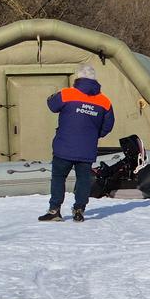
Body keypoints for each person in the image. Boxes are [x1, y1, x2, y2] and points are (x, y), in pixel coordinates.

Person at [39, 64, 115, 223]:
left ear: (78, 78)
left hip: (64, 146)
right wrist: (93, 135)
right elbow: (108, 125)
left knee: (59, 177)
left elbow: (51, 105)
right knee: (83, 180)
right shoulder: (105, 101)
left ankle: (54, 210)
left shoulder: (67, 94)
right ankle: (79, 209)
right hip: (87, 149)